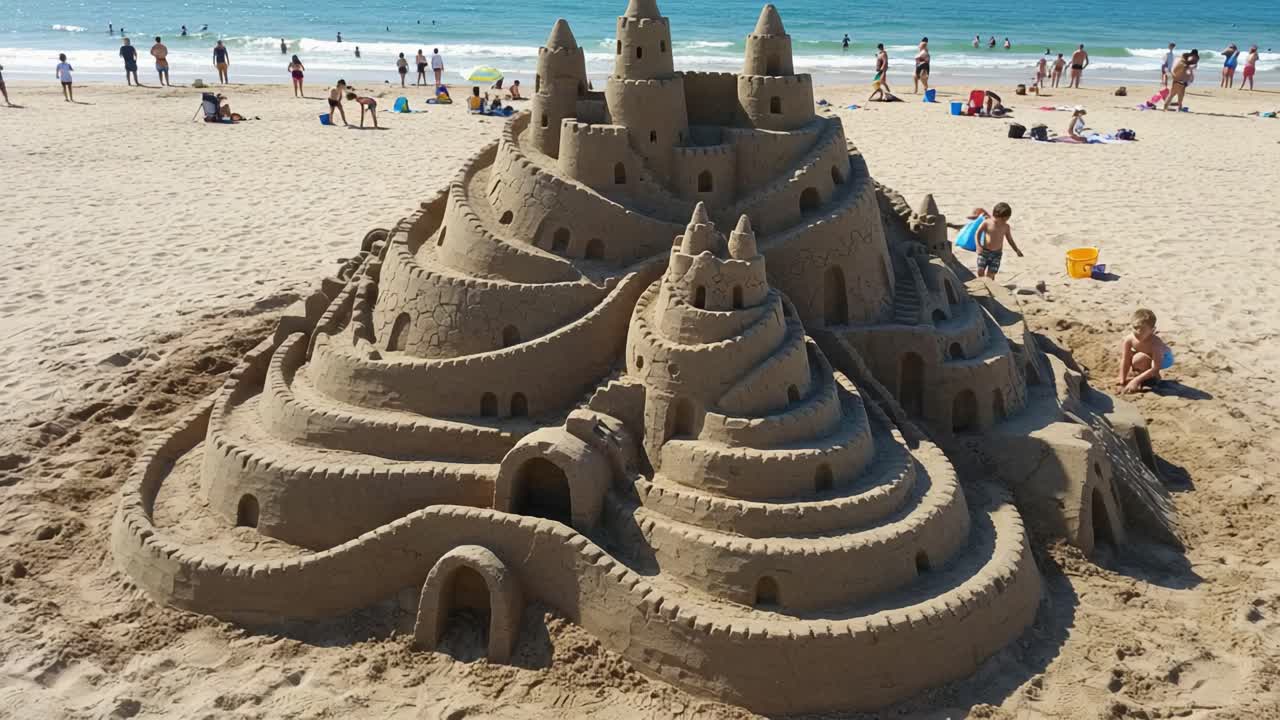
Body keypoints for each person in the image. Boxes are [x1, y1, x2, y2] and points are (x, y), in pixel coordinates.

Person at [1117, 309, 1171, 394]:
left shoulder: (1155, 344)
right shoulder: (1129, 339)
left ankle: (1153, 379)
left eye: (1143, 329)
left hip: (1164, 358)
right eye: (1135, 328)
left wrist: (1136, 381)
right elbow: (1125, 360)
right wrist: (1122, 380)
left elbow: (1155, 367)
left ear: (1152, 330)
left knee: (1139, 360)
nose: (1138, 332)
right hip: (1147, 353)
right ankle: (1144, 374)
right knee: (1131, 357)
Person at [973, 203, 1021, 279]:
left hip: (997, 254)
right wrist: (978, 246)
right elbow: (977, 233)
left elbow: (1010, 239)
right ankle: (983, 285)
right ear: (995, 215)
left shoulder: (1006, 226)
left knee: (991, 274)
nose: (1003, 221)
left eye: (1006, 219)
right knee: (980, 271)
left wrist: (1016, 250)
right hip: (984, 252)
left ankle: (991, 286)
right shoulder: (987, 223)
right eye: (1002, 219)